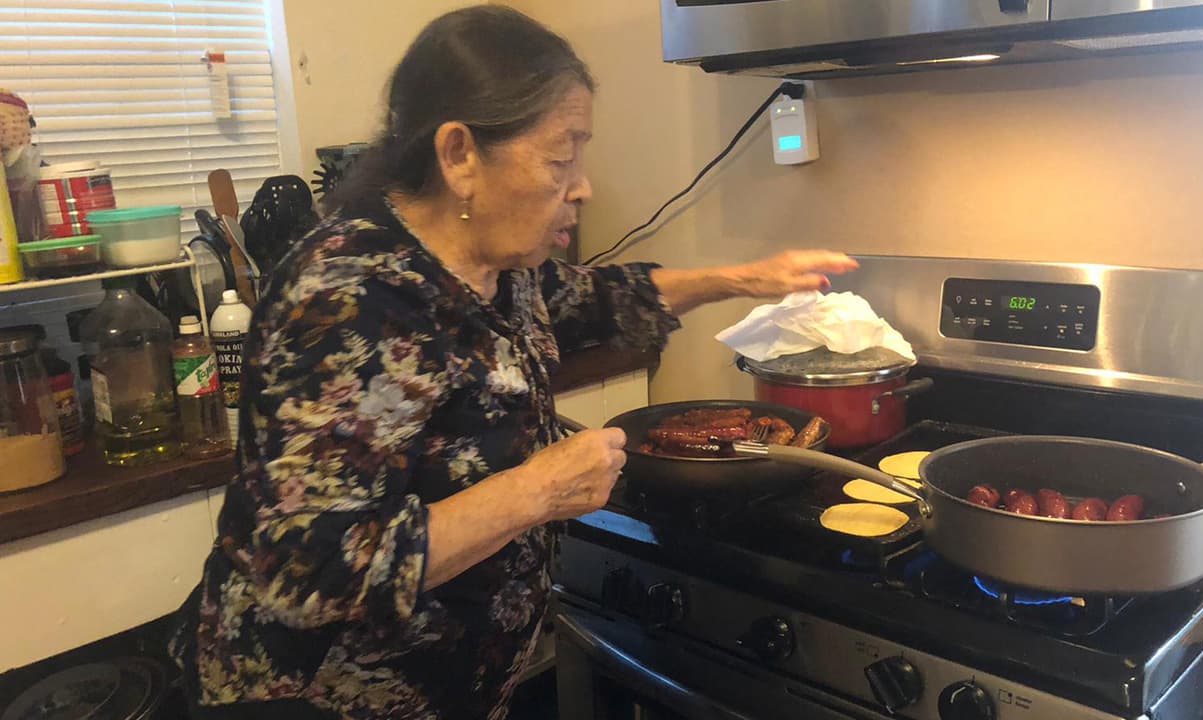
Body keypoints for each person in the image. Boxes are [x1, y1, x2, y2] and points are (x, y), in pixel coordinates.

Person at [169, 5, 859, 719]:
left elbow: (595, 296)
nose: (583, 184)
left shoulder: (495, 262)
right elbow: (307, 573)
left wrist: (746, 280)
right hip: (320, 701)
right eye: (562, 157)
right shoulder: (351, 297)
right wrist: (536, 492)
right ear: (460, 154)